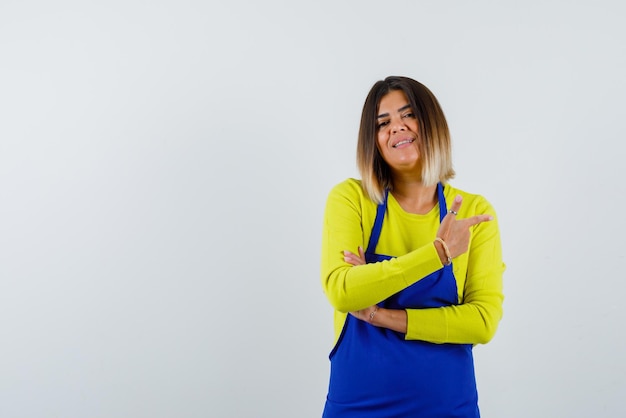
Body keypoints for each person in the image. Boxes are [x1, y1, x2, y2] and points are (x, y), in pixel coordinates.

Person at [320, 76, 505, 417]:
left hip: (447, 407)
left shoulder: (474, 212)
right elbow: (343, 292)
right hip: (358, 407)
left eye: (408, 115)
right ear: (372, 140)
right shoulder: (351, 199)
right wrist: (438, 254)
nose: (396, 127)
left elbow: (482, 322)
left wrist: (381, 315)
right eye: (383, 123)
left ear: (431, 123)